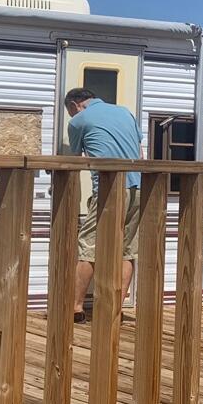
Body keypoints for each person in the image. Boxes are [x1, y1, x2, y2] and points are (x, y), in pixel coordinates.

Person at [64, 87, 142, 322]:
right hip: (138, 185)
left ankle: (75, 308)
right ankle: (114, 310)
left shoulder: (80, 120)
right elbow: (140, 151)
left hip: (109, 190)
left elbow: (73, 160)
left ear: (75, 105)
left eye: (70, 112)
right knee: (127, 250)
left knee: (88, 246)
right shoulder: (125, 112)